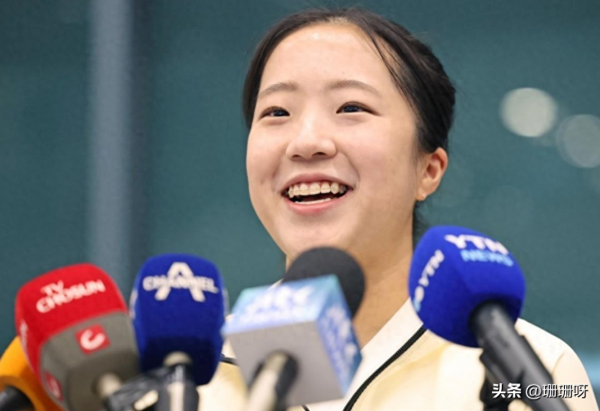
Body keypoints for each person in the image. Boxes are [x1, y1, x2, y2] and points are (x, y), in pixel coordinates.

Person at [199, 7, 598, 411]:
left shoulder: (533, 372)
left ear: (428, 170)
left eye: (351, 107)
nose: (306, 142)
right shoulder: (190, 380)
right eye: (277, 112)